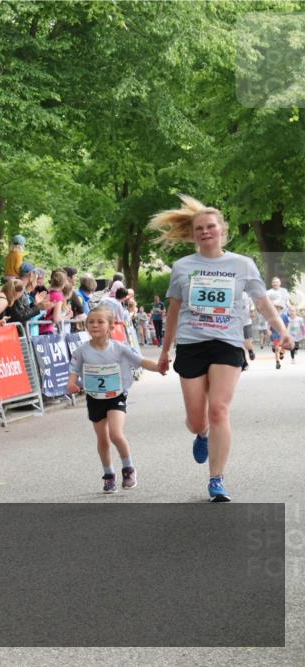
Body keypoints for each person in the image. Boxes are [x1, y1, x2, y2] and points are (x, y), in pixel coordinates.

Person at [150, 195, 293, 502]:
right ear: (193, 234)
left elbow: (261, 302)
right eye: (199, 228)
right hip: (191, 343)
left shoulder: (242, 265)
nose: (205, 232)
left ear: (222, 230)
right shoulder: (182, 267)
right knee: (197, 420)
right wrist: (164, 351)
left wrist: (281, 331)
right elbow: (173, 311)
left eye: (211, 226)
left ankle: (216, 478)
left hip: (227, 342)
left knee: (219, 409)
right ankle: (201, 434)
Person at [67, 308, 164, 493]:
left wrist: (158, 367)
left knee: (116, 434)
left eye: (100, 322)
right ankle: (109, 474)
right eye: (91, 322)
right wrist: (71, 383)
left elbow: (141, 361)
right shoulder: (82, 351)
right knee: (102, 439)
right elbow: (74, 370)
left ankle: (128, 468)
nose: (95, 325)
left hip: (116, 395)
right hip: (94, 397)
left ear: (111, 326)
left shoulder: (119, 348)